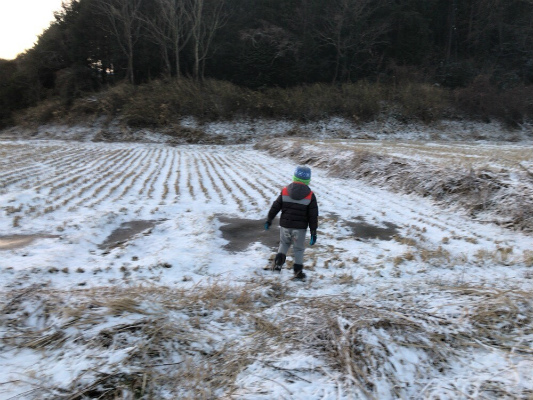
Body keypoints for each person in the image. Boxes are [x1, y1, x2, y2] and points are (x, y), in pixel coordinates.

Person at [264, 165, 319, 280]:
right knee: (298, 249)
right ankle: (298, 272)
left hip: (285, 226)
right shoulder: (310, 195)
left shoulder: (285, 191)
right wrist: (313, 232)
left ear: (294, 176)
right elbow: (313, 216)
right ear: (308, 179)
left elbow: (275, 207)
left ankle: (277, 265)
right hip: (300, 229)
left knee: (284, 244)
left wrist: (269, 220)